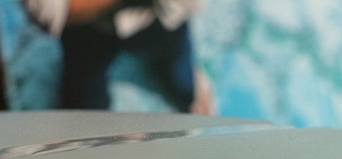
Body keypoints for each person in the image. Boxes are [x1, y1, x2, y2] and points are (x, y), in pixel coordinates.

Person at [24, 0, 213, 114]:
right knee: (85, 114)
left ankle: (188, 89)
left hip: (155, 17)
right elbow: (48, 11)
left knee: (180, 72)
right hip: (87, 30)